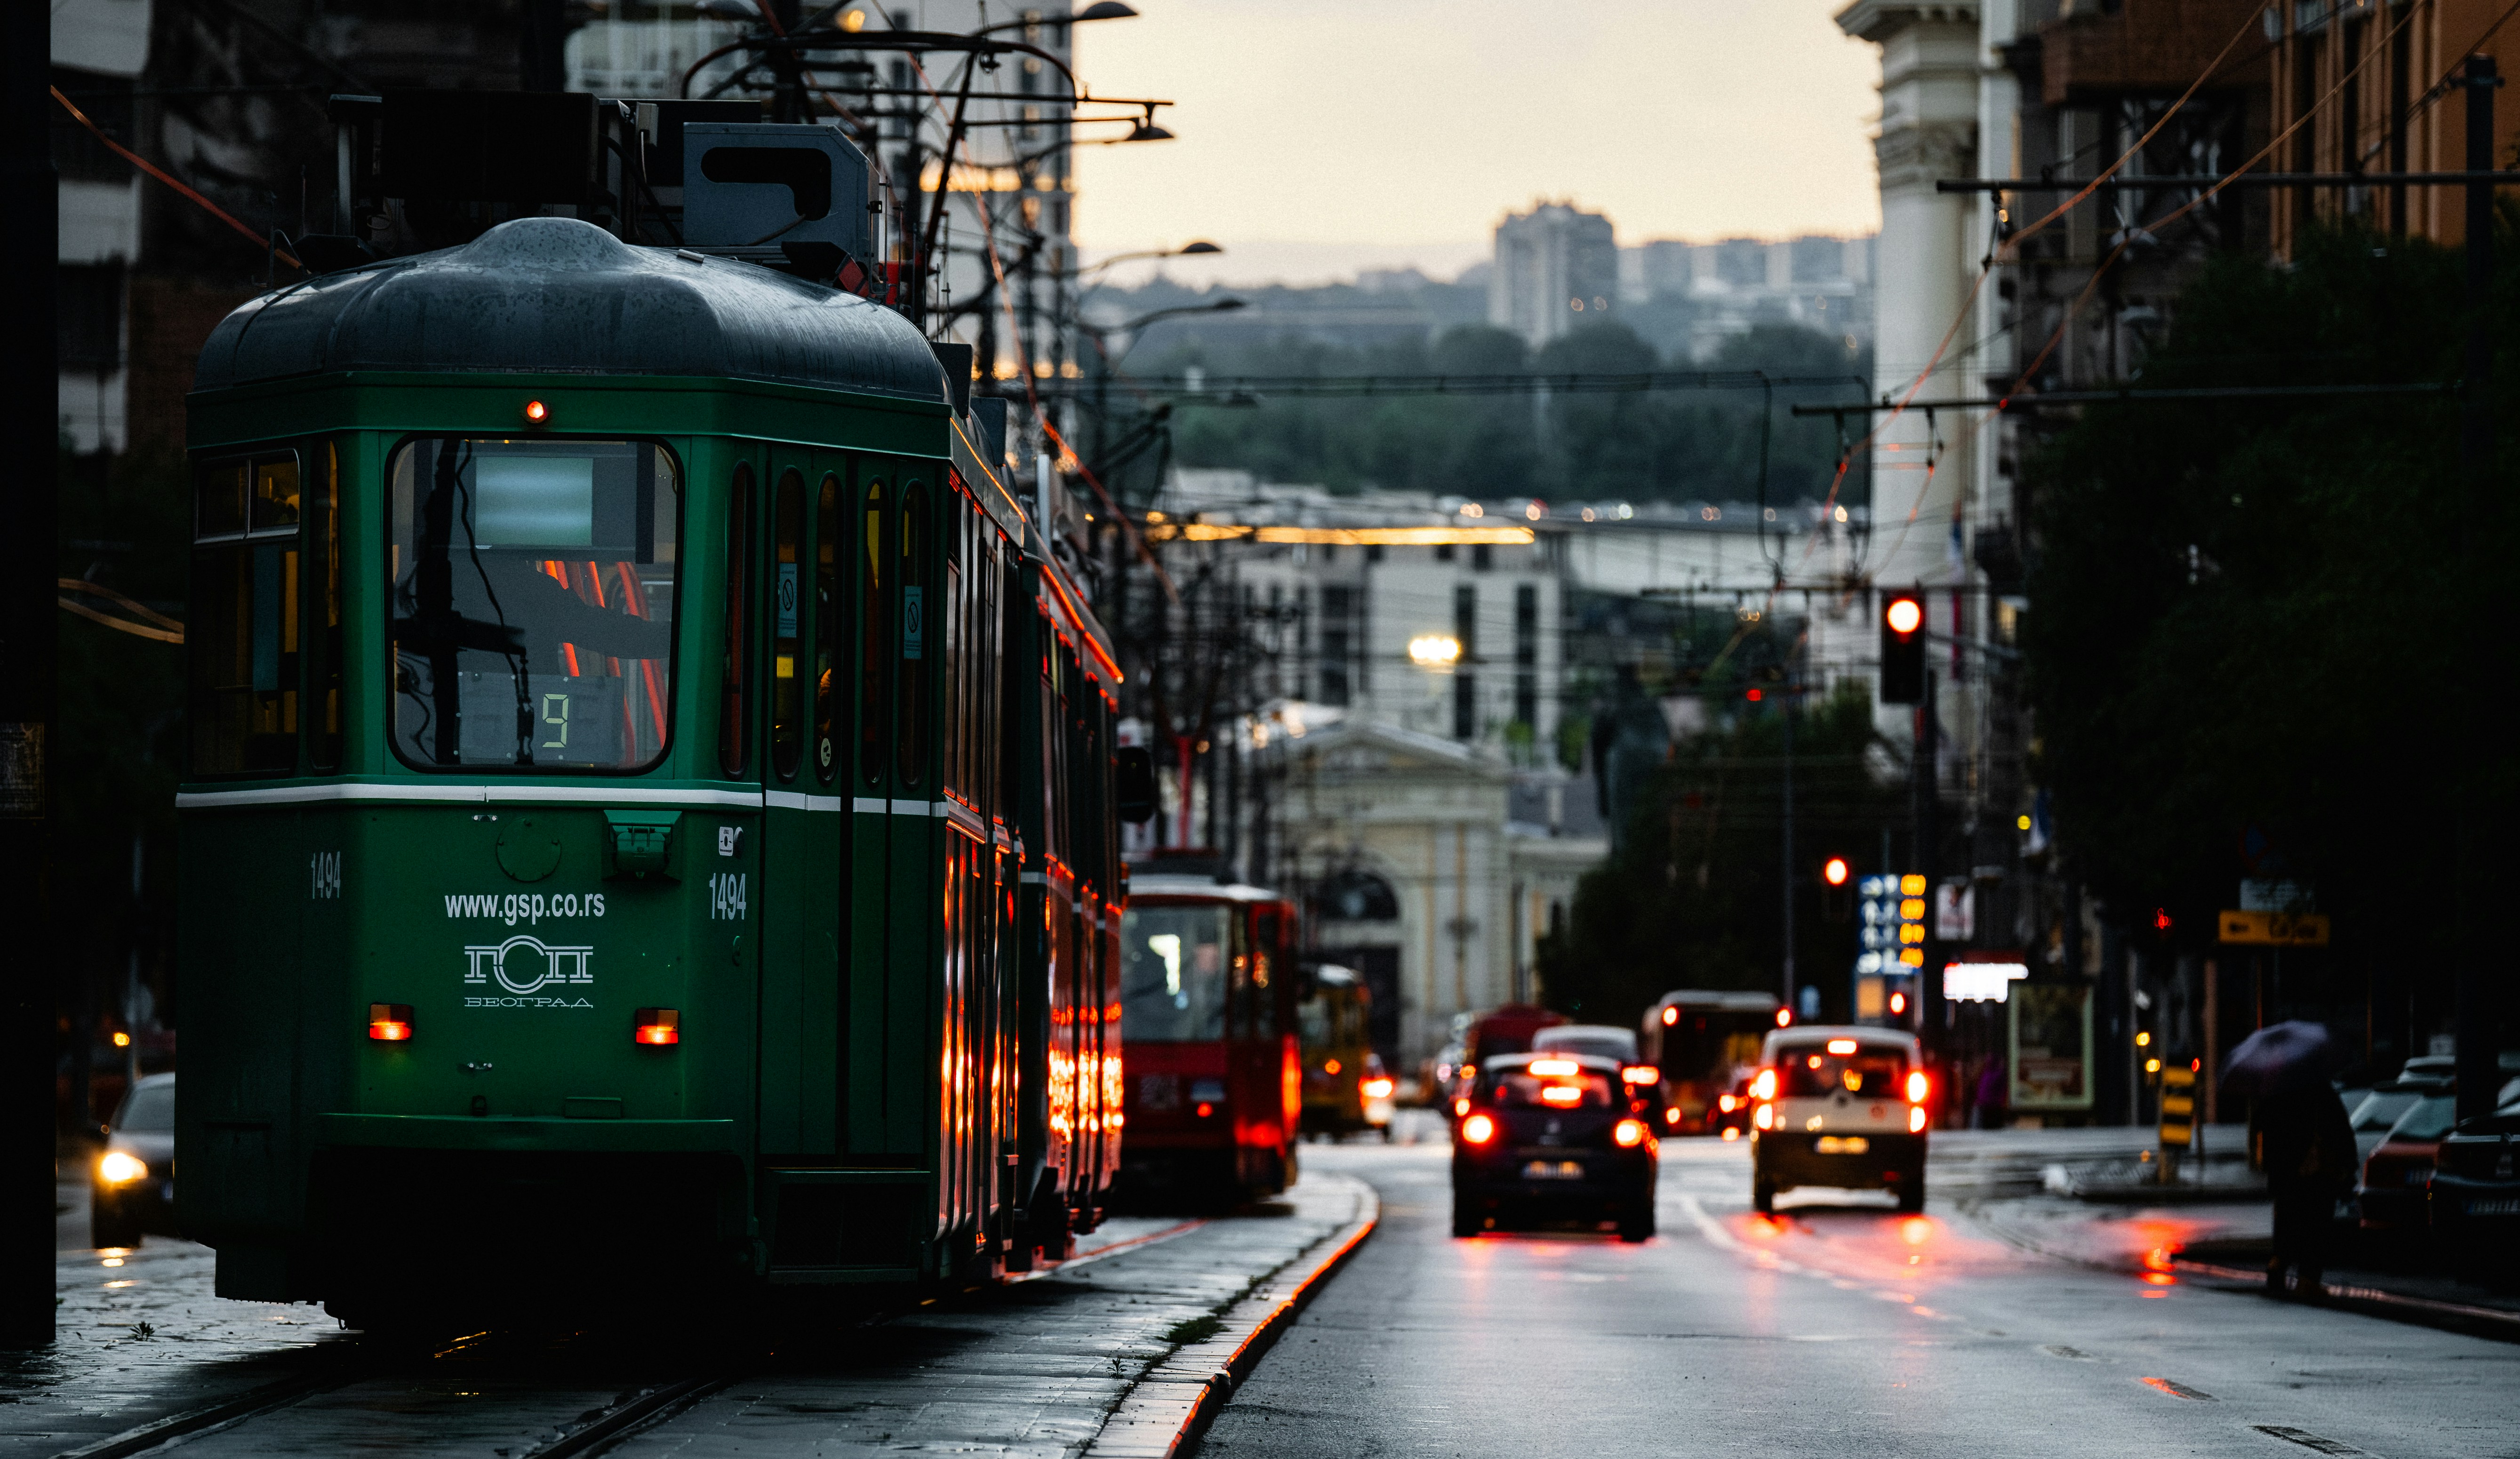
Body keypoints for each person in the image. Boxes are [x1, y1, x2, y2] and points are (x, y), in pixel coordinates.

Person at [2250, 1068, 2357, 1296]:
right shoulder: (2320, 1091)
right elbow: (2340, 1129)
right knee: (2316, 1225)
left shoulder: (2277, 1091)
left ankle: (2278, 1264)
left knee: (2288, 1222)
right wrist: (2349, 1165)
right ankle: (2307, 1280)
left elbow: (2260, 1123)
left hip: (2285, 1172)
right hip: (2316, 1172)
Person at [1973, 1056, 2009, 1130]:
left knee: (1988, 1127)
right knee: (1994, 1127)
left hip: (1986, 1105)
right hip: (1993, 1106)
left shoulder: (1986, 1074)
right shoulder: (1998, 1075)